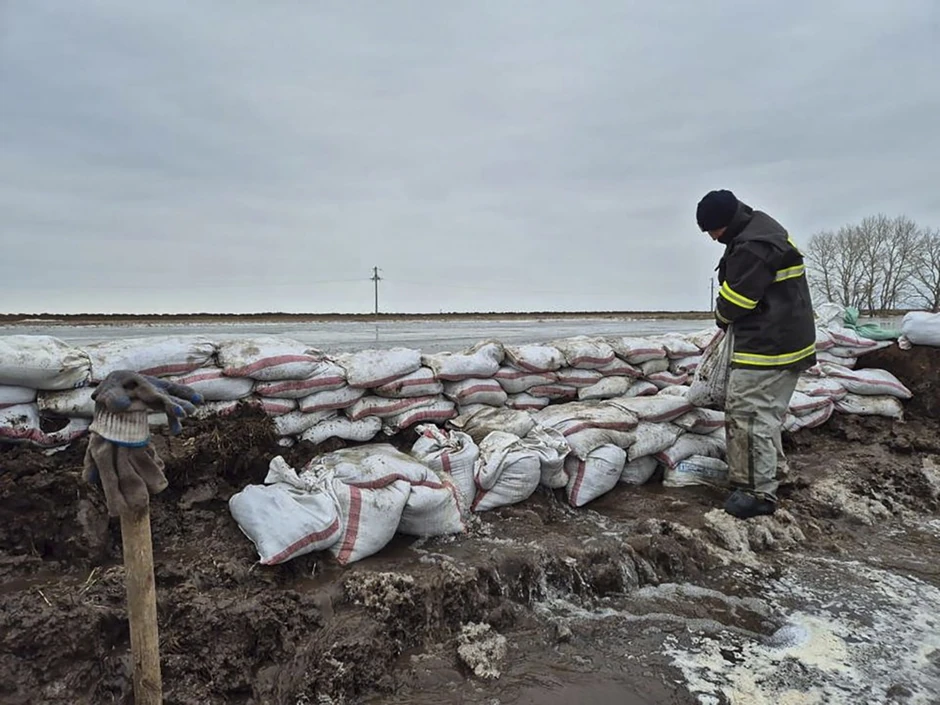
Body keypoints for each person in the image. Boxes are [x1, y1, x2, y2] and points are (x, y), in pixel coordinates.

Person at [696, 189, 816, 519]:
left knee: (748, 413)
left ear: (722, 223)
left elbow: (737, 302)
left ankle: (757, 493)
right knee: (763, 415)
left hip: (769, 346)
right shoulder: (760, 229)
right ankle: (771, 473)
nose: (711, 238)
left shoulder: (753, 246)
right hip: (781, 339)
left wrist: (721, 316)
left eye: (711, 231)